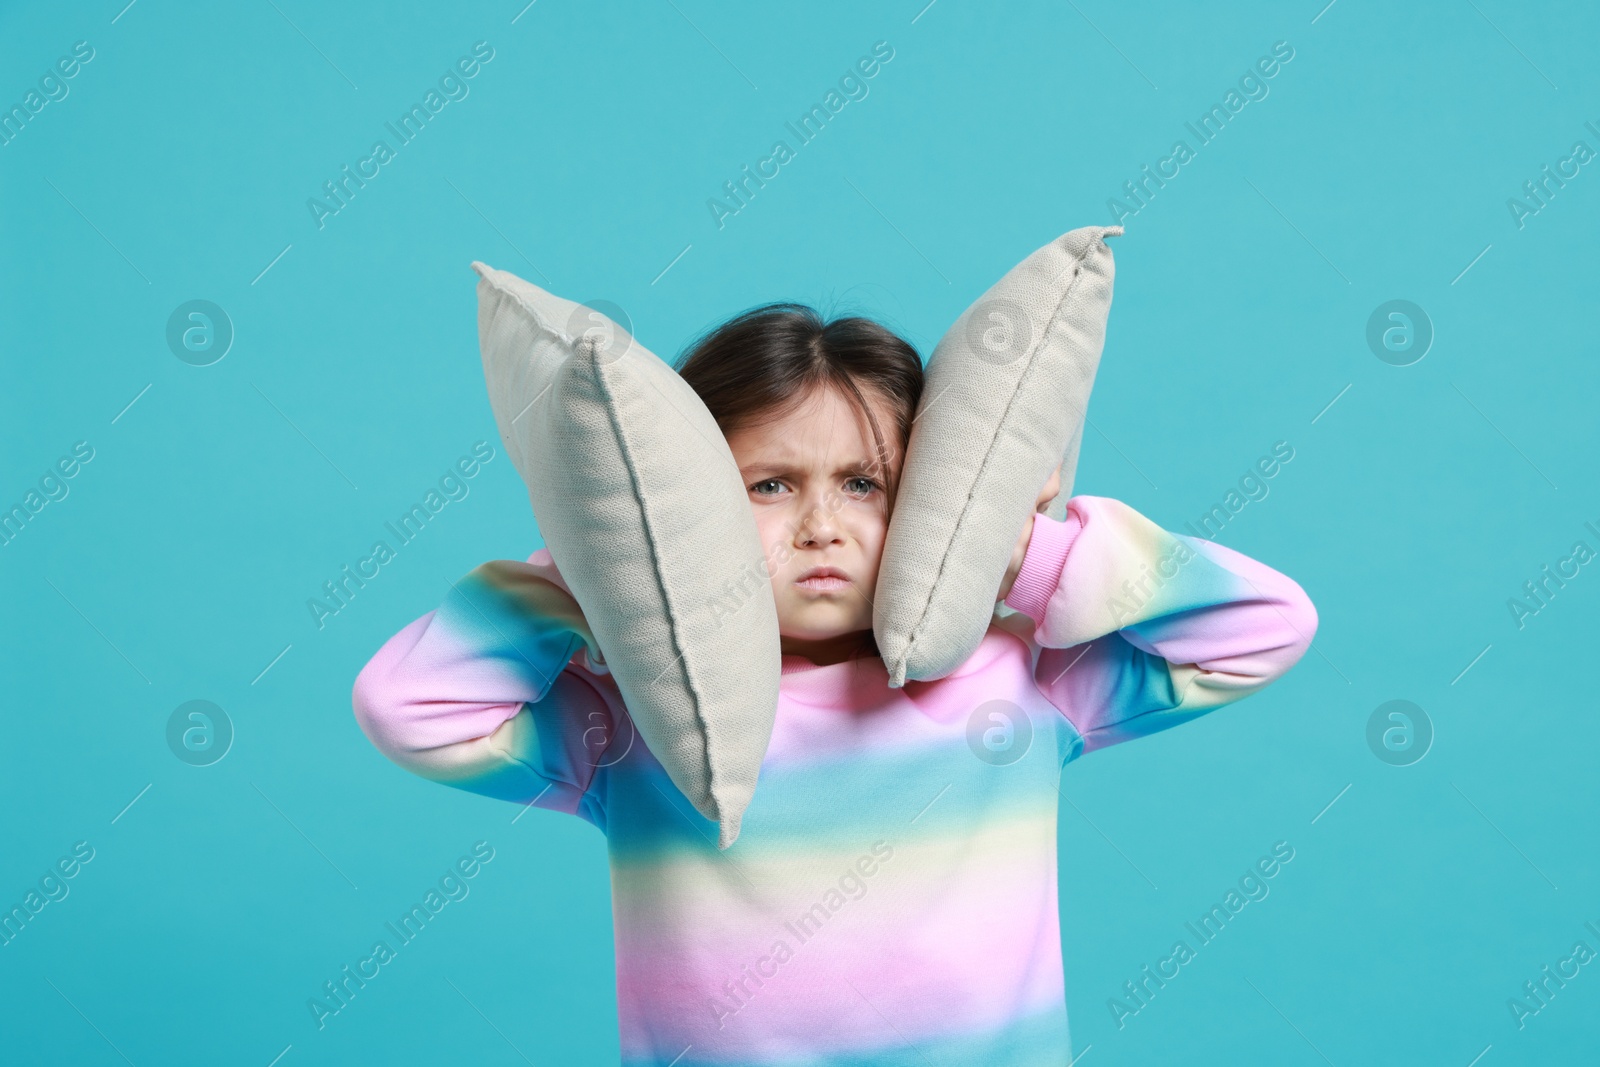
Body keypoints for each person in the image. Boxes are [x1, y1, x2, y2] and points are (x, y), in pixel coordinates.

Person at [351, 302, 1318, 1064]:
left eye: (866, 483)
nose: (822, 524)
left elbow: (1266, 626)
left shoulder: (1020, 680)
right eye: (769, 484)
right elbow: (412, 708)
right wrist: (595, 571)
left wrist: (1025, 552)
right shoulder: (637, 724)